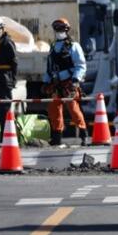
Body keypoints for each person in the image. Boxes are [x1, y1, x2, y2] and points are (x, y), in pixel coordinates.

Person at [42, 18, 87, 146]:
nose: (58, 32)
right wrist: (46, 82)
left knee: (73, 108)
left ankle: (83, 134)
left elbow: (81, 65)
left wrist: (76, 80)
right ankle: (57, 137)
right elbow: (49, 67)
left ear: (66, 30)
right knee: (54, 109)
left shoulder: (73, 46)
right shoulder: (52, 47)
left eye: (61, 29)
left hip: (69, 82)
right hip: (55, 82)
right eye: (56, 29)